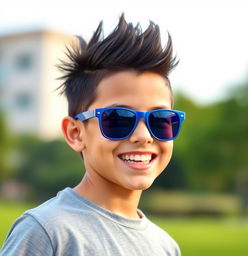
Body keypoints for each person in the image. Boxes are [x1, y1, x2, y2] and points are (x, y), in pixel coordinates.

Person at [0, 14, 185, 256]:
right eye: (119, 119)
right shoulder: (48, 232)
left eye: (160, 120)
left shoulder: (166, 246)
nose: (144, 136)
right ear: (76, 133)